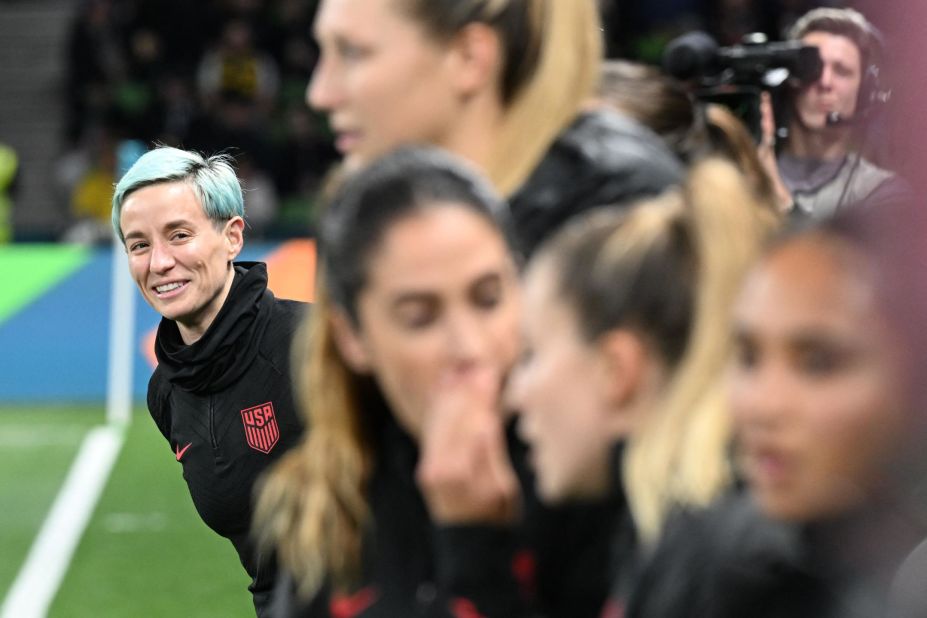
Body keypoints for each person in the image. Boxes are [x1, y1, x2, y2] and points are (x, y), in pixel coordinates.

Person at [254, 146, 531, 617]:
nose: (469, 347)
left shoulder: (592, 484)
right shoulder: (326, 510)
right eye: (419, 318)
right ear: (353, 337)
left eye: (488, 299)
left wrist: (477, 548)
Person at [505, 158, 774, 617]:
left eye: (531, 355)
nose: (514, 395)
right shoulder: (668, 534)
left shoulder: (721, 567)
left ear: (616, 369)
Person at [306, 0, 682, 257]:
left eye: (353, 53)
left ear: (469, 57)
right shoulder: (360, 212)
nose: (319, 94)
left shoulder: (622, 213)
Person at [111, 145, 308, 617]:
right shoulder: (167, 394)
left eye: (179, 235)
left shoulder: (317, 346)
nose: (159, 262)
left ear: (232, 236)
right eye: (139, 245)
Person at [759, 7, 906, 218]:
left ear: (864, 92)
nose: (825, 82)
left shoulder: (884, 194)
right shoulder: (746, 173)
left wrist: (779, 198)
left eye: (842, 71)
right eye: (812, 66)